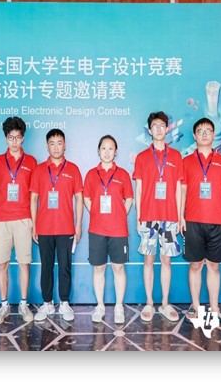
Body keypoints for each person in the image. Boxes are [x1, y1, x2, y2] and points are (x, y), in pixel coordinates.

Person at [180, 118, 221, 321]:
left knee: (214, 266)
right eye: (200, 131)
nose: (204, 134)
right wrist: (180, 217)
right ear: (194, 136)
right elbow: (182, 191)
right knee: (195, 266)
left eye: (208, 131)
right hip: (193, 221)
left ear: (214, 135)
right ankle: (195, 308)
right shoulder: (186, 161)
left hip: (217, 222)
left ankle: (214, 309)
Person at [133, 111, 184, 322]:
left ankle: (164, 303)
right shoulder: (142, 157)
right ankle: (149, 303)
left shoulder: (176, 156)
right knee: (148, 259)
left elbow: (179, 189)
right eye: (155, 126)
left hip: (170, 218)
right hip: (149, 218)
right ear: (150, 130)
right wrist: (139, 218)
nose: (159, 129)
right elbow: (138, 189)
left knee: (166, 260)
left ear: (167, 128)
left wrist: (179, 217)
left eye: (162, 125)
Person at [30, 128, 84, 322]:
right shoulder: (39, 170)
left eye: (59, 143)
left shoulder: (73, 169)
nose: (56, 147)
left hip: (66, 228)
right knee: (46, 267)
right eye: (52, 143)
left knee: (64, 267)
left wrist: (78, 225)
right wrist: (34, 225)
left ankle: (64, 303)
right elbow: (33, 198)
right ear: (47, 146)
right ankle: (47, 303)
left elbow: (79, 198)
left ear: (65, 145)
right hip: (44, 227)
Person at [0, 116, 38, 324]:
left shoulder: (31, 162)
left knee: (24, 263)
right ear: (5, 138)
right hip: (2, 220)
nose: (14, 141)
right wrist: (2, 208)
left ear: (23, 137)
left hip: (24, 219)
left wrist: (32, 221)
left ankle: (24, 305)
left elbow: (34, 194)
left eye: (17, 137)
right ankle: (4, 306)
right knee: (3, 264)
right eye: (11, 137)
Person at [83, 135, 134, 324]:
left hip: (118, 230)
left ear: (116, 151)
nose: (107, 152)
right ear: (99, 151)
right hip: (97, 229)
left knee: (118, 268)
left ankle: (119, 306)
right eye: (103, 148)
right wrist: (96, 212)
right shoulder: (91, 174)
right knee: (99, 268)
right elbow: (86, 197)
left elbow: (129, 198)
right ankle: (100, 306)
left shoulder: (123, 174)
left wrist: (120, 214)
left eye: (110, 148)